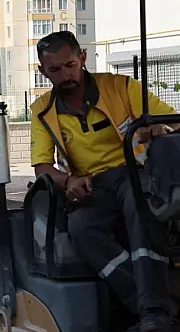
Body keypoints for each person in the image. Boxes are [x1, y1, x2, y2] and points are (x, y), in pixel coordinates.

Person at [30, 31, 180, 332]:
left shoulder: (120, 87)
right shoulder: (42, 111)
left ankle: (154, 312)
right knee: (82, 228)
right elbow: (43, 168)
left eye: (70, 65)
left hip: (135, 171)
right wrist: (68, 180)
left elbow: (173, 121)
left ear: (82, 58)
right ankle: (151, 307)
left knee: (141, 205)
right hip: (93, 186)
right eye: (55, 70)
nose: (65, 75)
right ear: (43, 71)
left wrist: (158, 129)